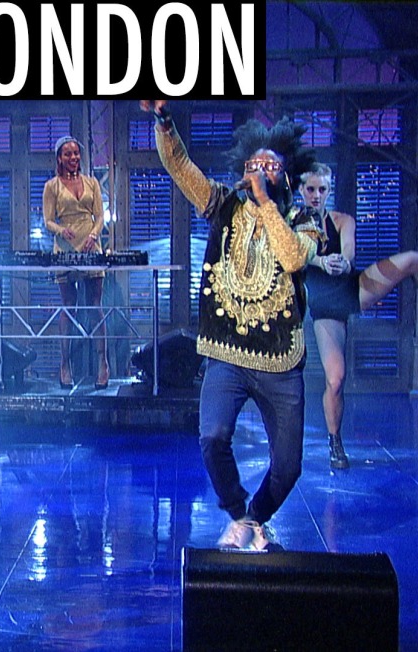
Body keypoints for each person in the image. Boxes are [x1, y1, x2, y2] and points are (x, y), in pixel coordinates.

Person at [141, 100, 322, 551]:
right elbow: (181, 167)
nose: (260, 170)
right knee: (212, 438)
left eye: (270, 166)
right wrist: (164, 120)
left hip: (280, 361)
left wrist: (266, 205)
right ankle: (240, 515)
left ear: (286, 177)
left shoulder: (303, 221)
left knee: (288, 467)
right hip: (227, 353)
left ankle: (255, 519)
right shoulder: (223, 206)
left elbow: (293, 258)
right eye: (253, 165)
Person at [299, 163, 418, 470]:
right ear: (301, 190)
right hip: (324, 308)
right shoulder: (292, 224)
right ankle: (335, 442)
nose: (316, 195)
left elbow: (349, 251)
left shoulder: (342, 220)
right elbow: (294, 257)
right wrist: (320, 262)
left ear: (329, 191)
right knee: (335, 380)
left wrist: (343, 263)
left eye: (322, 189)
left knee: (413, 259)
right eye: (311, 189)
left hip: (352, 288)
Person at [43, 136, 109, 389]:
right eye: (67, 154)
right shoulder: (52, 186)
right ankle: (65, 364)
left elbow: (100, 216)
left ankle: (103, 363)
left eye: (76, 153)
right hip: (66, 247)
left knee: (95, 305)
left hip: (91, 246)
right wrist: (61, 230)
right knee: (69, 305)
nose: (73, 158)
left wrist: (94, 235)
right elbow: (48, 221)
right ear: (59, 158)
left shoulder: (92, 183)